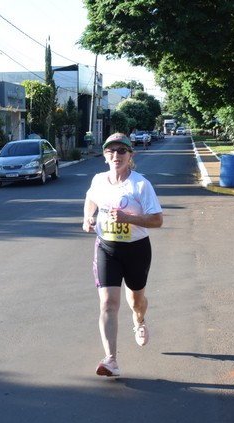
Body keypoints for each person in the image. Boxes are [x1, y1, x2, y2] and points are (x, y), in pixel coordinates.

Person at [82, 132, 164, 377]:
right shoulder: (98, 181)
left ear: (130, 155)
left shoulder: (140, 185)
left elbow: (158, 220)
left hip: (136, 250)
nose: (116, 155)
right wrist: (87, 217)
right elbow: (90, 198)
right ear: (105, 155)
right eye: (111, 151)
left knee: (136, 302)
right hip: (107, 248)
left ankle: (139, 321)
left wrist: (129, 219)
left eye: (121, 151)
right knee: (108, 302)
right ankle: (111, 360)